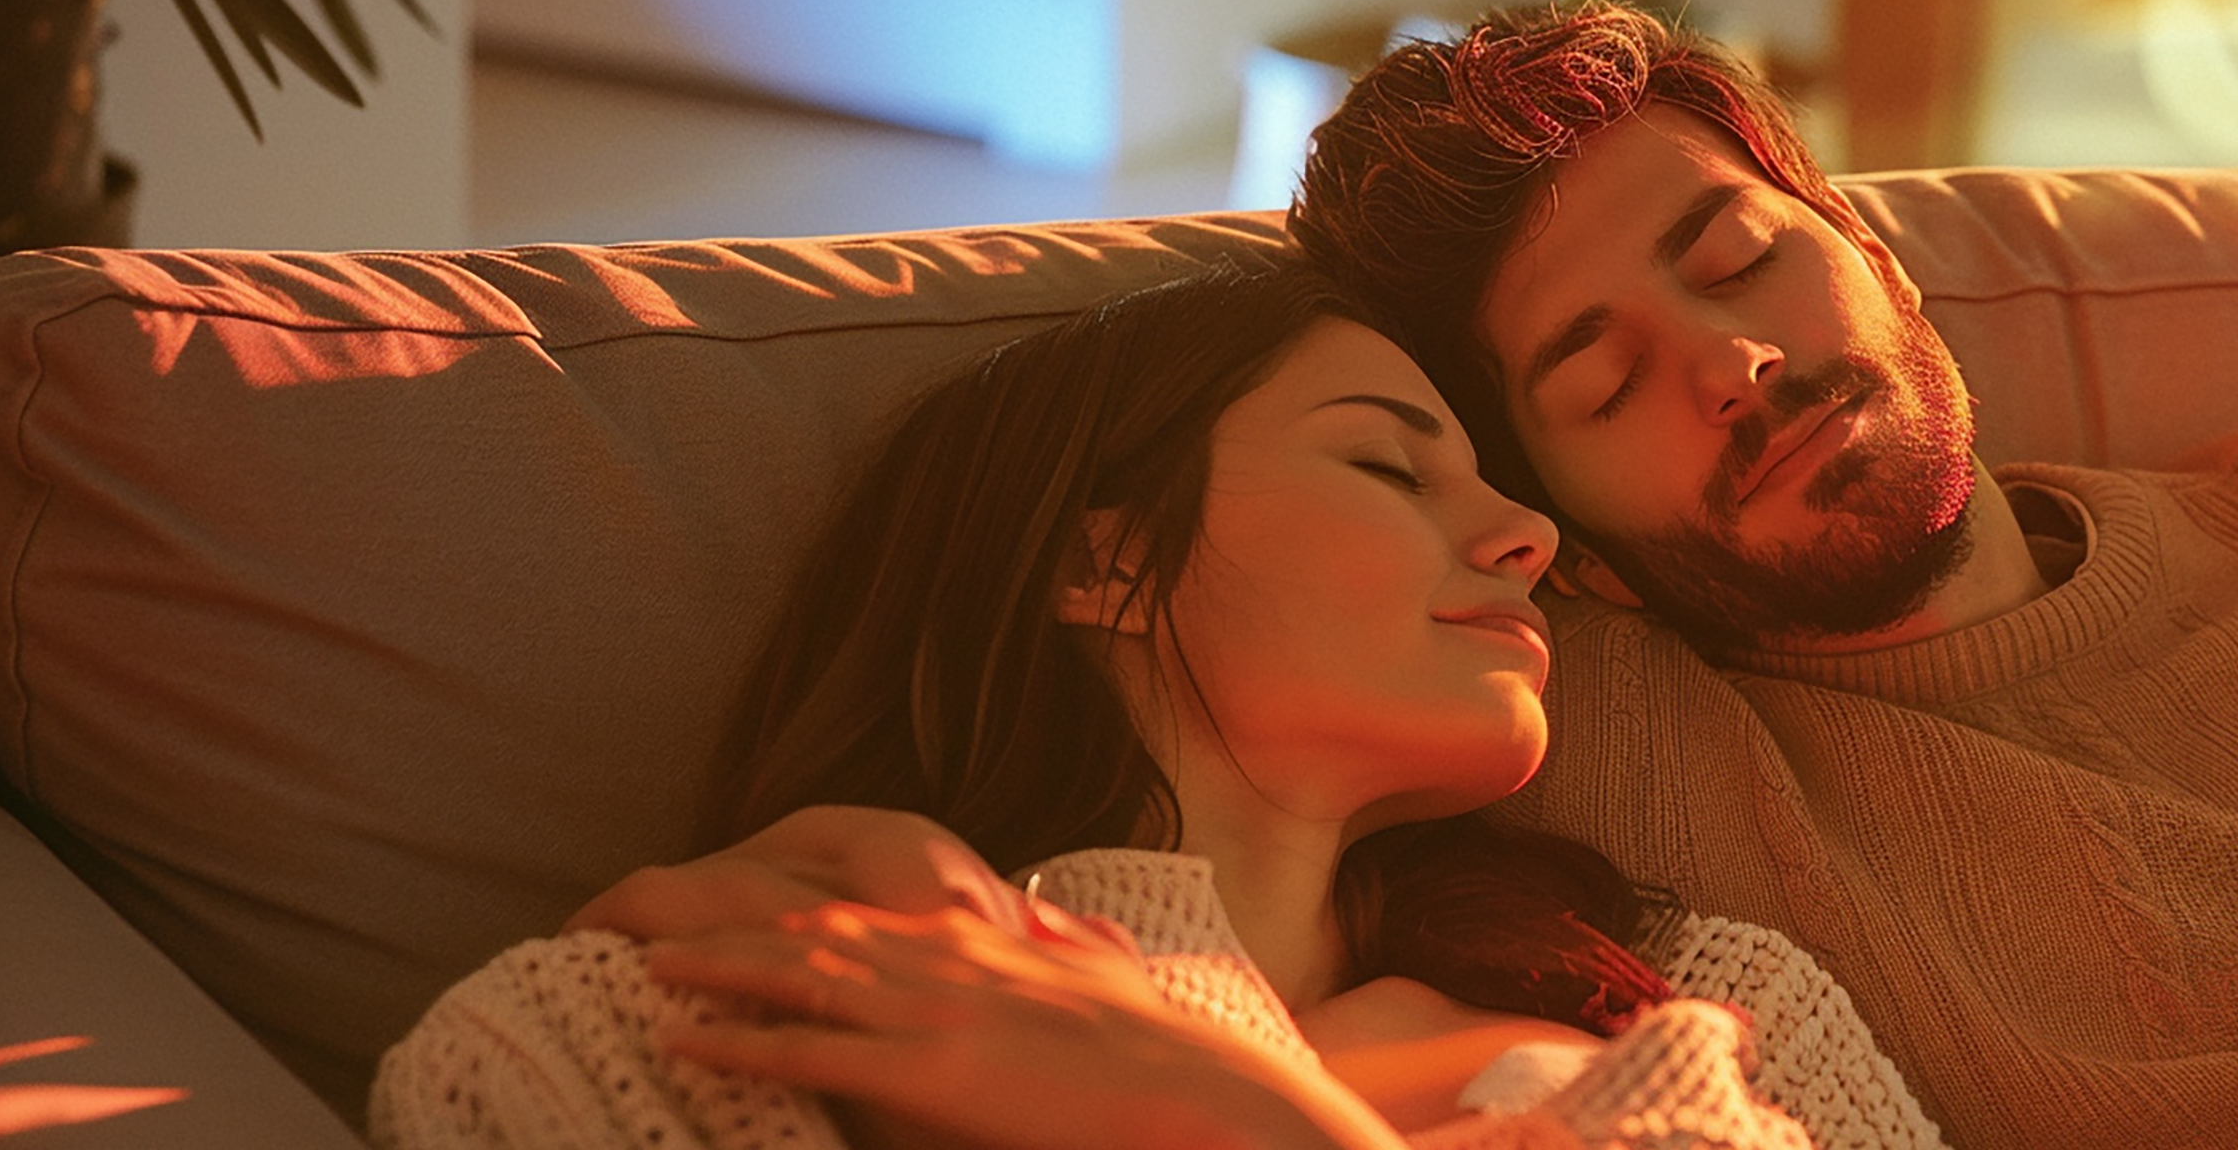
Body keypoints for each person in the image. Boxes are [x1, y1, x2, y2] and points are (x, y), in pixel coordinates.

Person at [577, 0, 2238, 1150]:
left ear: (1862, 242)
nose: (1724, 367)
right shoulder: (1603, 723)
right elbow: (1185, 745)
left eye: (1733, 260)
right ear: (1551, 524)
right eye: (1594, 383)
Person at [369, 265, 1943, 1150]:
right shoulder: (755, 985)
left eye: (1496, 482)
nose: (1523, 537)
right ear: (1099, 566)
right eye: (1391, 463)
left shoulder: (1705, 990)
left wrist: (1228, 1120)